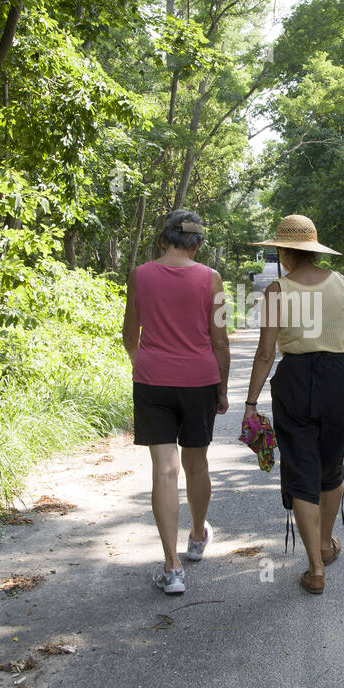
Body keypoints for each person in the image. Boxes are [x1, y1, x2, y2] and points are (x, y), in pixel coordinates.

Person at [241, 215, 344, 594]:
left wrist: (251, 402)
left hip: (294, 380)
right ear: (313, 249)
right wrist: (340, 342)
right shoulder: (342, 283)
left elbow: (264, 354)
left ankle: (315, 568)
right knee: (331, 461)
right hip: (339, 378)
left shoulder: (277, 290)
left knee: (300, 467)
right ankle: (326, 543)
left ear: (283, 252)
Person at [123, 210, 231, 595]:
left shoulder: (140, 275)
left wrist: (149, 364)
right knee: (196, 463)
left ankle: (171, 568)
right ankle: (198, 536)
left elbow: (129, 336)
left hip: (153, 382)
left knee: (164, 471)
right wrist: (222, 389)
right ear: (197, 244)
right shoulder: (211, 279)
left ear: (161, 238)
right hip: (200, 381)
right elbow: (219, 340)